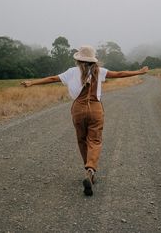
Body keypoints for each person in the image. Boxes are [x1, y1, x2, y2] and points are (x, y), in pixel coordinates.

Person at [21, 45, 149, 196]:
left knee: (82, 140)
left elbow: (52, 78)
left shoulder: (71, 72)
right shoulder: (99, 71)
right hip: (95, 108)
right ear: (93, 60)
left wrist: (32, 83)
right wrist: (139, 72)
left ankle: (88, 169)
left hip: (78, 109)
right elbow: (120, 73)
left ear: (78, 59)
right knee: (94, 140)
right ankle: (91, 170)